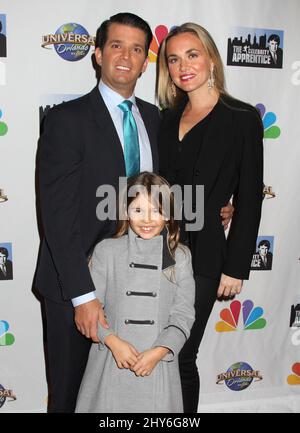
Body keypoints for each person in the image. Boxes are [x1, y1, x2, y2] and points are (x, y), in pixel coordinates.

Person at [36, 12, 160, 413]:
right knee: (70, 398)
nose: (126, 56)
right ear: (98, 54)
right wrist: (83, 296)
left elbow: (163, 195)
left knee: (121, 398)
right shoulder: (65, 120)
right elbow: (56, 215)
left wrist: (214, 209)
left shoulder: (155, 119)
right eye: (116, 45)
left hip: (135, 284)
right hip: (76, 288)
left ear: (145, 61)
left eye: (137, 49)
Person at [157, 22, 264, 412]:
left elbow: (250, 197)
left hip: (205, 254)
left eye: (192, 54)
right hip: (157, 249)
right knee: (156, 346)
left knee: (181, 353)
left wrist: (235, 267)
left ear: (211, 59)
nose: (183, 65)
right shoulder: (165, 118)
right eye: (173, 58)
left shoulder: (241, 118)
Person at [75, 172, 195, 413]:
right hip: (111, 360)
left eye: (156, 210)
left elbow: (183, 314)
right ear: (125, 211)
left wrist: (160, 351)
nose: (147, 219)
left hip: (158, 363)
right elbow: (91, 309)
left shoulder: (179, 256)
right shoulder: (106, 251)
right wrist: (112, 341)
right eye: (138, 210)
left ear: (169, 214)